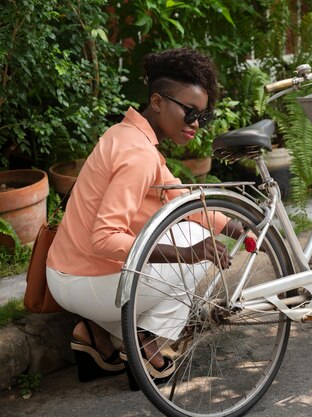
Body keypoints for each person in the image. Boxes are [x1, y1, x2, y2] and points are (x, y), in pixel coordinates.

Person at [46, 48, 249, 387]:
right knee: (193, 246)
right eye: (189, 112)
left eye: (202, 115)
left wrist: (234, 226)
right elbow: (106, 237)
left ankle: (94, 336)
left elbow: (177, 196)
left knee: (185, 227)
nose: (196, 124)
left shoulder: (127, 134)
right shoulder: (139, 154)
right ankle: (147, 347)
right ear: (157, 101)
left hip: (67, 272)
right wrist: (188, 254)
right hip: (83, 280)